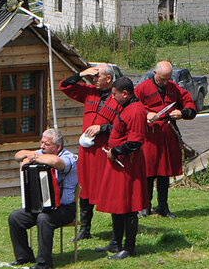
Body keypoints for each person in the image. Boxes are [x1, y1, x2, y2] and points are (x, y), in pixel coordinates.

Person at [59, 63, 122, 241]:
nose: (93, 79)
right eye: (92, 77)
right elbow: (64, 85)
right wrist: (81, 74)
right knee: (85, 188)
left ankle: (116, 233)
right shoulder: (89, 93)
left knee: (110, 189)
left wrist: (102, 128)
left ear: (108, 79)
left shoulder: (118, 97)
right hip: (87, 153)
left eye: (97, 76)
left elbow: (122, 126)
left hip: (105, 151)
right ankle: (85, 229)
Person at [134, 61, 197, 218]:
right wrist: (145, 114)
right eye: (162, 79)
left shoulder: (174, 89)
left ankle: (163, 206)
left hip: (167, 136)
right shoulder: (142, 88)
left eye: (167, 79)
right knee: (147, 172)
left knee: (164, 172)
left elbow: (189, 103)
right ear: (155, 73)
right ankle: (145, 205)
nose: (164, 82)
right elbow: (131, 106)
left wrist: (182, 113)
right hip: (149, 136)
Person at [7, 128, 78, 269]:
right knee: (15, 217)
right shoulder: (41, 153)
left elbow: (55, 161)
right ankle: (24, 256)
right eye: (41, 143)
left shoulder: (69, 158)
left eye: (47, 144)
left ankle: (44, 263)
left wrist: (32, 158)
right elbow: (17, 155)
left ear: (58, 147)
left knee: (43, 219)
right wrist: (28, 154)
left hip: (64, 210)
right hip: (42, 206)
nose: (42, 147)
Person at [94, 76, 147, 259]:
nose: (113, 97)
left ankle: (129, 248)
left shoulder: (136, 110)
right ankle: (116, 243)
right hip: (118, 163)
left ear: (125, 93)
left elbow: (136, 141)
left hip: (128, 164)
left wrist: (115, 151)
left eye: (115, 94)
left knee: (129, 207)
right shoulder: (125, 106)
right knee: (117, 204)